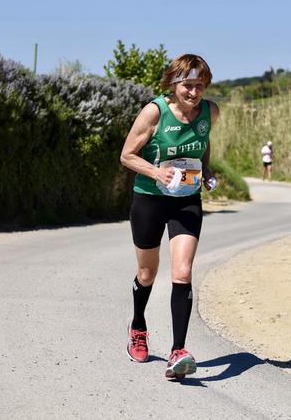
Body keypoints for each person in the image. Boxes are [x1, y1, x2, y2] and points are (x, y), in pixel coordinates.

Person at [119, 54, 219, 379]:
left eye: (199, 86)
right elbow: (127, 155)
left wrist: (208, 169)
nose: (193, 93)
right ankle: (138, 325)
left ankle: (178, 352)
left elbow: (202, 145)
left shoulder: (209, 112)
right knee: (147, 273)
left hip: (186, 200)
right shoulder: (154, 112)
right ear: (174, 83)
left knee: (183, 270)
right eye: (188, 85)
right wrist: (156, 172)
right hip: (149, 199)